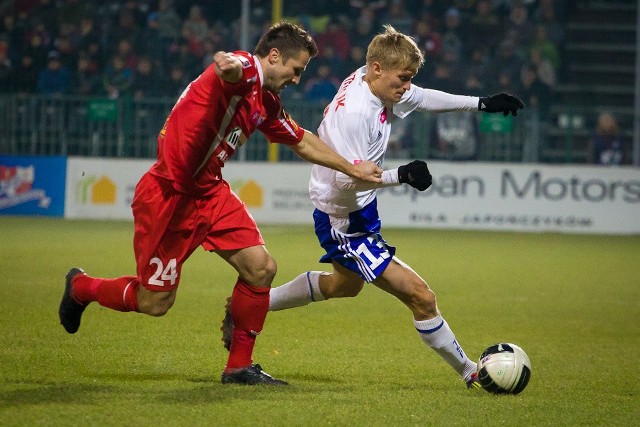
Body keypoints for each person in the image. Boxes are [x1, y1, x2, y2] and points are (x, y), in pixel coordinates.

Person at [58, 22, 382, 386]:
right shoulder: (243, 71)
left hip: (210, 192)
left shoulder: (266, 102)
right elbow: (233, 68)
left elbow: (303, 141)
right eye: (296, 69)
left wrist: (351, 166)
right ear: (273, 56)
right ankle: (81, 287)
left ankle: (239, 366)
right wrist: (226, 65)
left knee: (261, 268)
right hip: (169, 196)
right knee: (155, 303)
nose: (297, 79)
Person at [221, 25, 524, 388]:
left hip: (357, 209)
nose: (406, 86)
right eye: (403, 78)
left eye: (410, 79)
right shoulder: (356, 115)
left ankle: (250, 305)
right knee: (421, 296)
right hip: (343, 216)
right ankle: (471, 371)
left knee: (342, 286)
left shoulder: (375, 82)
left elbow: (423, 97)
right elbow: (346, 179)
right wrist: (402, 175)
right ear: (377, 69)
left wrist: (481, 103)